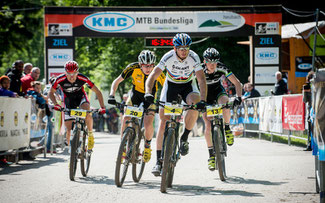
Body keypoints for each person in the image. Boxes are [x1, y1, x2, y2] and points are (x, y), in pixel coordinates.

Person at [145, 33, 207, 176]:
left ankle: (184, 137)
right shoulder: (167, 57)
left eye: (186, 48)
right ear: (175, 48)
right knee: (163, 122)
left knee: (194, 104)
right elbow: (153, 76)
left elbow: (201, 80)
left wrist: (203, 100)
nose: (184, 51)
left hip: (188, 85)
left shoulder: (194, 57)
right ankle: (158, 161)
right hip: (171, 86)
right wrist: (148, 92)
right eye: (181, 48)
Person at [107, 50, 165, 163]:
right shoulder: (132, 68)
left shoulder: (158, 71)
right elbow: (117, 81)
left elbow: (166, 86)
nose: (148, 68)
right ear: (140, 64)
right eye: (145, 66)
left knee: (148, 123)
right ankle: (122, 148)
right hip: (135, 95)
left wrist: (163, 102)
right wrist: (111, 95)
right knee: (125, 118)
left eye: (151, 66)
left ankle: (147, 147)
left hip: (151, 97)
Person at [200, 47, 242, 171]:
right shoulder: (199, 70)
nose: (212, 65)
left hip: (218, 91)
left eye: (215, 62)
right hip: (205, 94)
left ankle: (228, 128)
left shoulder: (222, 67)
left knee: (225, 102)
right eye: (209, 62)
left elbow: (237, 83)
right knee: (208, 124)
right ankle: (211, 156)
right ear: (204, 61)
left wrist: (238, 97)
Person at [49, 61, 106, 151]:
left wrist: (102, 107)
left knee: (87, 110)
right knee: (69, 129)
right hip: (69, 101)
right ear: (65, 72)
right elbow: (51, 93)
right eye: (69, 74)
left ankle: (90, 135)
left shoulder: (83, 78)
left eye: (74, 73)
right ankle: (71, 154)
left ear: (77, 72)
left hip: (81, 98)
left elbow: (98, 92)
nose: (72, 76)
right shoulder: (60, 79)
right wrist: (56, 104)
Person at [303, 71, 314, 151]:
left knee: (310, 128)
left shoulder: (307, 87)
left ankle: (310, 145)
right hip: (318, 109)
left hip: (311, 109)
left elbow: (305, 100)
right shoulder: (319, 85)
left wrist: (305, 92)